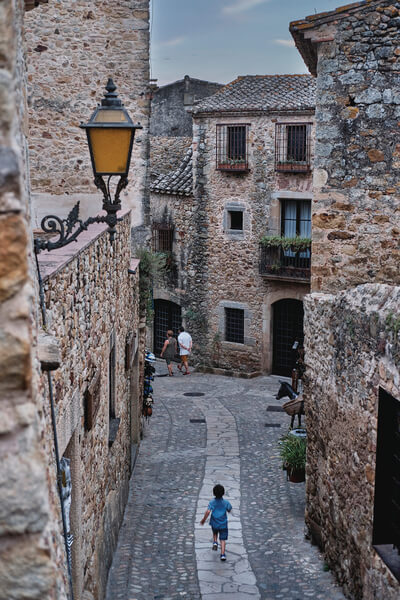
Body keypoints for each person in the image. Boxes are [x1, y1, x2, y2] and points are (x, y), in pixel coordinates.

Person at [200, 484, 232, 561]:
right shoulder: (226, 502)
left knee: (215, 532)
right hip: (223, 523)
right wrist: (227, 510)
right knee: (223, 539)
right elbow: (229, 509)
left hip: (214, 522)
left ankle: (215, 542)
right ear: (223, 493)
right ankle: (223, 554)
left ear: (214, 493)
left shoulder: (212, 502)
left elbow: (208, 511)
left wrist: (204, 519)